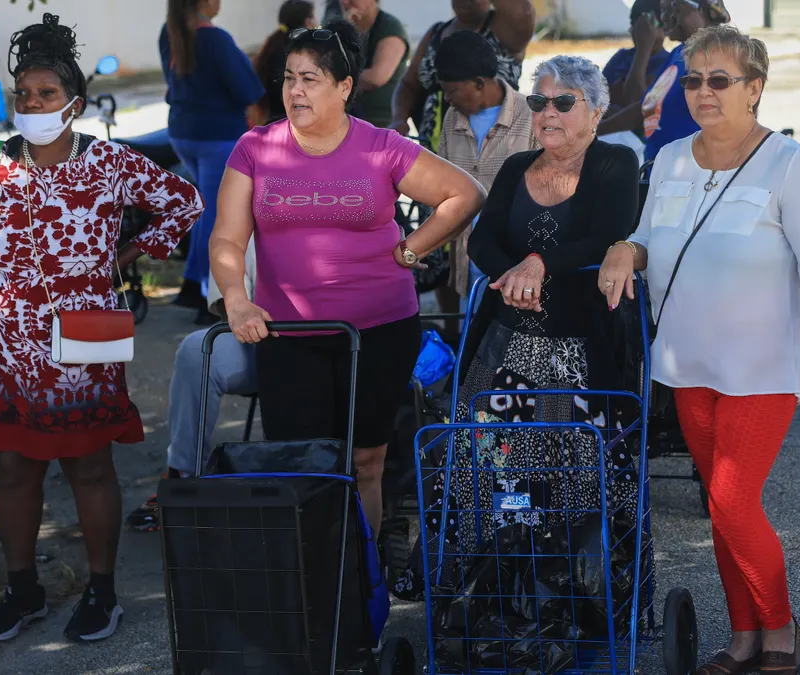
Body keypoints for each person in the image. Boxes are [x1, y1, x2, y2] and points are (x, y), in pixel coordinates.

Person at [599, 24, 800, 675]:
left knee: (729, 499)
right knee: (727, 510)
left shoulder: (793, 165)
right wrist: (625, 248)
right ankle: (743, 635)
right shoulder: (668, 157)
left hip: (762, 367)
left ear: (754, 88)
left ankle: (782, 628)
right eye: (694, 79)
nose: (703, 91)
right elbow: (648, 236)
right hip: (688, 362)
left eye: (719, 80)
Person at [0, 13, 202, 643]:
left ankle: (101, 592)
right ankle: (22, 590)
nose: (31, 104)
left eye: (46, 95)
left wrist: (128, 255)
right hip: (7, 342)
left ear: (74, 104)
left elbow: (184, 202)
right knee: (12, 470)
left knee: (88, 466)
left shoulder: (109, 162)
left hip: (85, 335)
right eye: (22, 94)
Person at [209, 20, 486, 533]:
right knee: (302, 466)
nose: (294, 90)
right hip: (286, 334)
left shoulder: (380, 145)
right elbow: (227, 239)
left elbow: (464, 194)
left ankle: (363, 586)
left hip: (378, 331)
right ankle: (313, 589)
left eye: (310, 79)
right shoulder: (255, 148)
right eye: (289, 77)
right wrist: (236, 299)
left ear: (344, 87)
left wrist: (412, 247)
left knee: (366, 464)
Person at [392, 55, 642, 601]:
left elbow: (609, 234)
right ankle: (486, 586)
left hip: (580, 347)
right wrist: (514, 274)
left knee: (578, 467)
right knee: (480, 458)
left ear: (596, 112)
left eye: (562, 103)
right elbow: (480, 242)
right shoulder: (515, 167)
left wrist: (539, 266)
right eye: (538, 102)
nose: (547, 113)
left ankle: (583, 591)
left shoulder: (614, 164)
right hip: (505, 342)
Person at [125, 238, 257, 533]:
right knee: (197, 351)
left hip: (330, 335)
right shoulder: (260, 194)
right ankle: (185, 476)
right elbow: (229, 261)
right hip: (262, 335)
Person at [160, 0, 264, 323]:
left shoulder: (171, 31)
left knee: (207, 210)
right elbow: (249, 90)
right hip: (217, 137)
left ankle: (193, 285)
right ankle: (212, 293)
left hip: (182, 132)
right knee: (219, 215)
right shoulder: (215, 39)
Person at [434, 30, 537, 333]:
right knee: (475, 342)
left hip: (516, 261)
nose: (447, 98)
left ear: (480, 84)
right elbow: (441, 187)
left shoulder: (530, 115)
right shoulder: (453, 120)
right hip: (470, 262)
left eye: (452, 90)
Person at [390, 0, 535, 151]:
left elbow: (523, 12)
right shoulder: (436, 32)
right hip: (436, 150)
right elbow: (408, 85)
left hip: (494, 147)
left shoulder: (505, 29)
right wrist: (399, 118)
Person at [597, 0, 730, 164]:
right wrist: (591, 134)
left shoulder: (721, 57)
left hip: (692, 172)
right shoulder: (678, 54)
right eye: (665, 10)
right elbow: (644, 107)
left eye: (675, 7)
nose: (666, 17)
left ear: (702, 11)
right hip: (661, 171)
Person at [341, 0, 409, 128]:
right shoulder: (345, 28)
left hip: (381, 122)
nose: (345, 2)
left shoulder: (390, 27)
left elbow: (376, 78)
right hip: (349, 119)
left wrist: (335, 79)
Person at [249, 0, 317, 127]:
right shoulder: (303, 55)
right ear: (308, 22)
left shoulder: (272, 49)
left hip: (274, 126)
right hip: (296, 129)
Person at [603, 0, 669, 115]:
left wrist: (643, 49)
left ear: (665, 29)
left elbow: (636, 104)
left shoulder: (669, 62)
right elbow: (594, 99)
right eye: (636, 25)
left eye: (647, 26)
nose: (640, 32)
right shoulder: (622, 57)